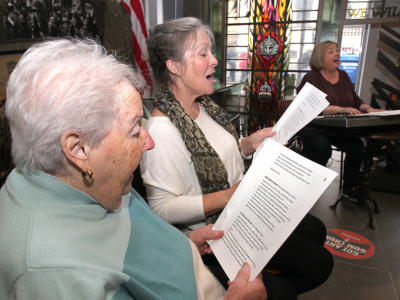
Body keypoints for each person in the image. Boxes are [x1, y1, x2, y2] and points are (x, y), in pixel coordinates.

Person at [0, 38, 268, 300]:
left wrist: (186, 246)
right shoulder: (53, 274)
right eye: (134, 129)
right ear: (78, 149)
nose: (149, 142)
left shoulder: (89, 178)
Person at [141, 17, 334, 300]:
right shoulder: (162, 130)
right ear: (174, 66)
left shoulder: (203, 105)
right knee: (318, 266)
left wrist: (246, 144)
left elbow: (215, 154)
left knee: (315, 229)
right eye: (203, 53)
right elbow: (162, 209)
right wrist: (231, 196)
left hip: (242, 208)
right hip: (216, 233)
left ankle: (267, 274)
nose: (215, 60)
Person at [295, 41, 384, 199]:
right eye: (331, 52)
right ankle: (308, 188)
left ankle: (349, 188)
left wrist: (367, 108)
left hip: (337, 129)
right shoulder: (311, 78)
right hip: (313, 127)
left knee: (357, 146)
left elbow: (355, 99)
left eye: (337, 51)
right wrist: (339, 108)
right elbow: (309, 106)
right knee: (323, 148)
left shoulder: (343, 76)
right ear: (320, 57)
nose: (337, 54)